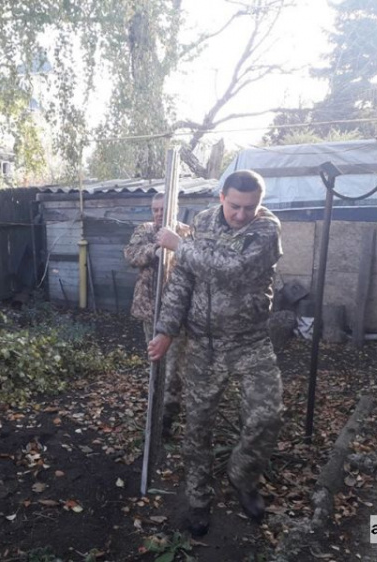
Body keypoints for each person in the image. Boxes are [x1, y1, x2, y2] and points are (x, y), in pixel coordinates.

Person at [147, 170, 283, 537]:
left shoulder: (266, 229)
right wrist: (165, 330)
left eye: (249, 207)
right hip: (203, 343)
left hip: (249, 340)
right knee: (198, 426)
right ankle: (198, 499)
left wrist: (181, 246)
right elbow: (183, 281)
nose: (241, 215)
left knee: (267, 416)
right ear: (221, 197)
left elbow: (233, 271)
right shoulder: (202, 223)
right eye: (235, 206)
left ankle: (242, 476)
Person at [124, 193, 191, 436]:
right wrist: (155, 249)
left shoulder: (186, 233)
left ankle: (167, 419)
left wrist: (175, 247)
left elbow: (196, 265)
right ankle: (154, 409)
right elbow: (131, 255)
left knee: (174, 369)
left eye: (163, 208)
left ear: (175, 207)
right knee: (155, 363)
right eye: (155, 209)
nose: (158, 213)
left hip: (178, 316)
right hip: (149, 311)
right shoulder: (144, 230)